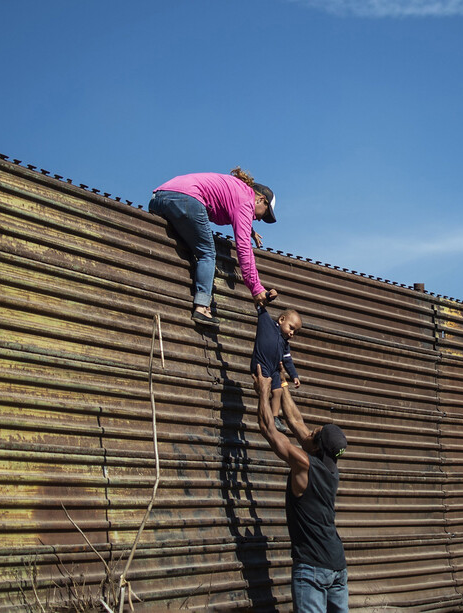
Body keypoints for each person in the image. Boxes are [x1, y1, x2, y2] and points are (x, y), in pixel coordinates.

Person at [253, 365, 349, 612]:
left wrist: (262, 392)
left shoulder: (304, 464)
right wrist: (281, 383)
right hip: (337, 565)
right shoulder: (331, 468)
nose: (310, 430)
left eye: (315, 432)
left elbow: (268, 430)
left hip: (313, 568)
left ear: (316, 446)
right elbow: (296, 421)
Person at [148, 167, 277, 329]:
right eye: (265, 214)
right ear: (260, 199)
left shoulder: (238, 190)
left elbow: (229, 206)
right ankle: (202, 307)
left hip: (159, 197)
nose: (259, 219)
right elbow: (244, 249)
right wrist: (256, 288)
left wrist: (250, 230)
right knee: (207, 253)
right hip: (187, 199)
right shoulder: (246, 200)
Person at [251, 296, 303, 433]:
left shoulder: (285, 344)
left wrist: (294, 375)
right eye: (291, 328)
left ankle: (275, 417)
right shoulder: (267, 323)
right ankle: (265, 416)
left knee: (278, 391)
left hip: (274, 369)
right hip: (261, 364)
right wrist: (268, 296)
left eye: (295, 332)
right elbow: (260, 305)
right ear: (281, 320)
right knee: (265, 388)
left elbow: (288, 361)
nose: (292, 333)